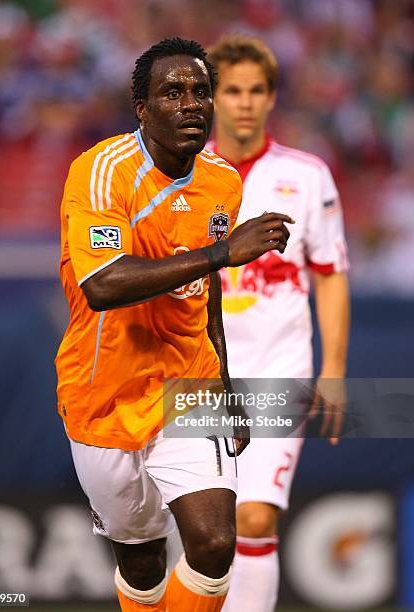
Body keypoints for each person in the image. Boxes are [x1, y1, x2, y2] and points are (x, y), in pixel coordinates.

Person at [55, 37, 293, 612]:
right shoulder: (101, 172)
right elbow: (103, 284)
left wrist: (227, 386)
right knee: (140, 557)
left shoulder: (222, 182)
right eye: (173, 92)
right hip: (104, 390)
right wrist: (221, 253)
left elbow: (206, 295)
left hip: (190, 382)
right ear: (143, 108)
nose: (192, 104)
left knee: (214, 544)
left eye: (200, 92)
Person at [207, 35, 350, 612]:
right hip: (200, 377)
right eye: (232, 90)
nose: (244, 102)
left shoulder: (308, 175)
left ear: (271, 97)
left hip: (277, 371)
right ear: (212, 98)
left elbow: (331, 274)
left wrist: (334, 370)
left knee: (254, 515)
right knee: (200, 530)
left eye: (256, 90)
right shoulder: (184, 176)